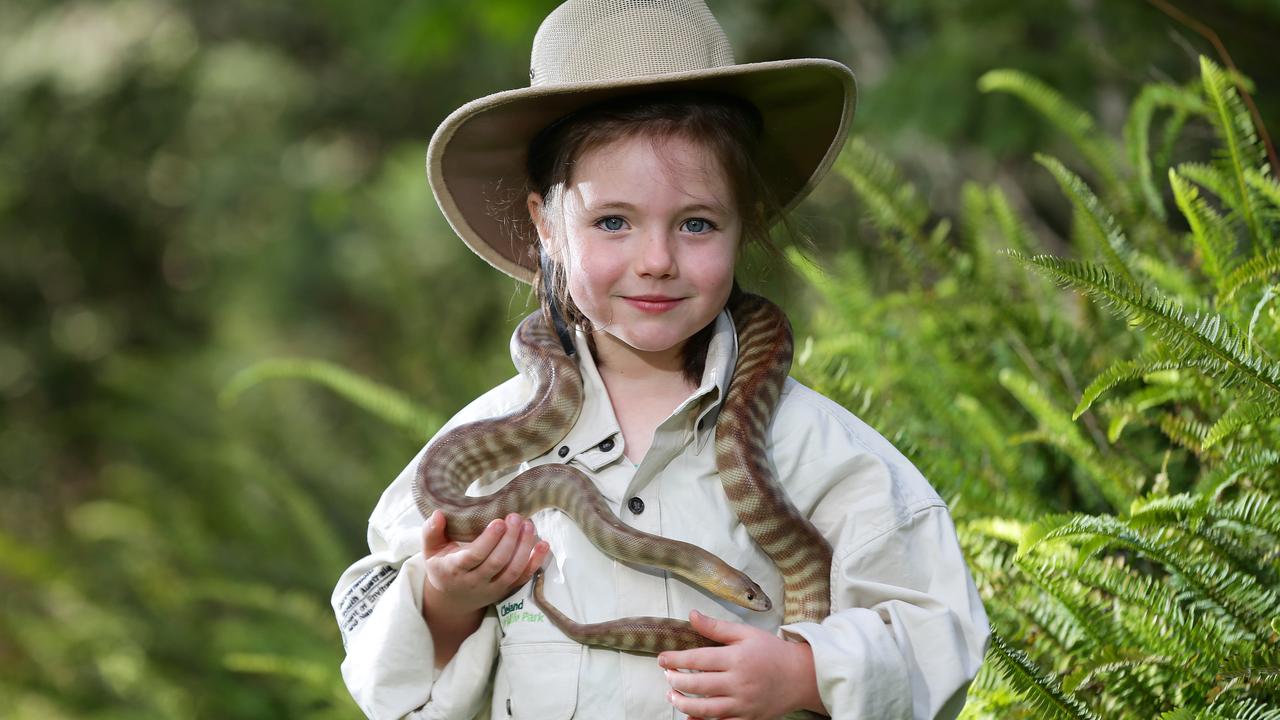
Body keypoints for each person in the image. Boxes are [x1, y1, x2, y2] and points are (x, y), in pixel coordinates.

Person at [331, 1, 990, 718]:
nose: (656, 261)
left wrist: (806, 675)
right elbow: (385, 681)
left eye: (696, 223)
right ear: (546, 227)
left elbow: (938, 634)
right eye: (613, 221)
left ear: (747, 225)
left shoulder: (822, 453)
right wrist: (443, 602)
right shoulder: (483, 456)